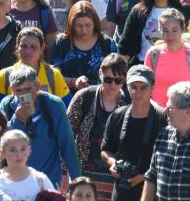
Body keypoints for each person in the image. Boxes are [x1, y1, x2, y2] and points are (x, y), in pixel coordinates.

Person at [0, 65, 82, 187]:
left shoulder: (53, 104)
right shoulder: (7, 105)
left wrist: (78, 182)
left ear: (37, 86)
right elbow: (1, 144)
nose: (24, 95)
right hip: (15, 182)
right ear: (12, 90)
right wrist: (17, 121)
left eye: (28, 89)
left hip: (48, 182)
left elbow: (67, 144)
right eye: (19, 91)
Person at [100, 65, 168, 201]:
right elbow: (105, 150)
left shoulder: (163, 119)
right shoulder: (117, 116)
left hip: (154, 190)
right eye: (133, 87)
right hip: (122, 189)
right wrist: (114, 164)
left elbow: (170, 159)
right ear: (127, 87)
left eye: (143, 88)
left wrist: (145, 176)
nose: (138, 93)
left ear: (153, 88)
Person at [65, 53, 129, 178]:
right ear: (100, 73)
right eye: (108, 79)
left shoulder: (128, 102)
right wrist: (64, 170)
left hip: (117, 176)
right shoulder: (84, 96)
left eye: (118, 81)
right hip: (83, 174)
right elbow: (67, 135)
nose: (113, 85)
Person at [142, 81, 190, 201]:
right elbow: (152, 175)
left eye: (170, 107)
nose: (165, 111)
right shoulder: (164, 134)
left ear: (187, 110)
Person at [0, 129, 58, 201]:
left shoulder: (40, 180)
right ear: (2, 153)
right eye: (13, 150)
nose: (19, 155)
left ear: (29, 150)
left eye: (23, 149)